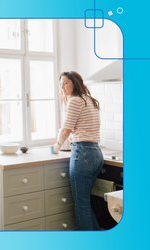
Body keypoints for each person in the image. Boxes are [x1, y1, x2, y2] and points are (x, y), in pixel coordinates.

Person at [53, 71, 103, 230]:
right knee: (86, 202)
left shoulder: (74, 101)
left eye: (66, 83)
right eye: (61, 84)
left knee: (81, 203)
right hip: (95, 154)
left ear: (75, 83)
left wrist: (57, 145)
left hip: (83, 154)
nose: (63, 87)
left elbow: (67, 130)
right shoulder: (89, 100)